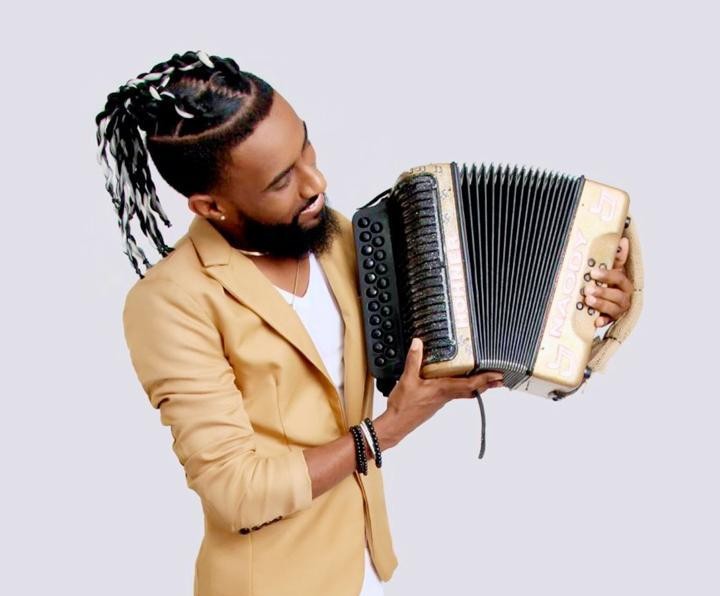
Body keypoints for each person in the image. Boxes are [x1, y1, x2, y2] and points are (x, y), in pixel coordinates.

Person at [96, 50, 634, 596]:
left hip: (366, 568)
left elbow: (466, 322)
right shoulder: (170, 302)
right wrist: (387, 431)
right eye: (281, 181)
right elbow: (236, 493)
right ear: (211, 208)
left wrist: (587, 305)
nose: (316, 181)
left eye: (306, 147)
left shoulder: (335, 238)